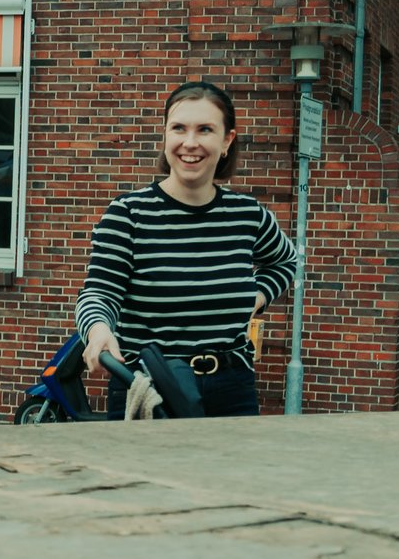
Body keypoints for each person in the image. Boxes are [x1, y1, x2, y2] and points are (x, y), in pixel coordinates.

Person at [76, 80, 298, 417]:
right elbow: (99, 294)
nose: (189, 143)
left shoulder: (248, 215)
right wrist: (99, 330)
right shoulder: (128, 214)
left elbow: (286, 261)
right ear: (165, 135)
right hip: (149, 385)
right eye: (178, 128)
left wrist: (259, 295)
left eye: (205, 129)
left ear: (227, 141)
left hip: (232, 386)